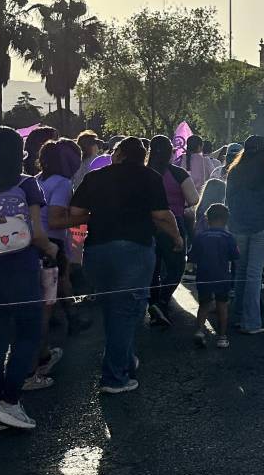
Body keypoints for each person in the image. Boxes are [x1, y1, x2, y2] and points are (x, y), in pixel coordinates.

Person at [68, 137, 182, 394]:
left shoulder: (95, 177)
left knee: (113, 309)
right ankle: (114, 377)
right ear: (142, 156)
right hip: (134, 250)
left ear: (117, 153)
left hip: (96, 250)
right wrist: (177, 237)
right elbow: (162, 216)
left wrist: (82, 240)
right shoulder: (150, 177)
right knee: (127, 310)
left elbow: (75, 215)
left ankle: (126, 360)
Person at [0, 127, 59, 434]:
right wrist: (52, 248)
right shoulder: (27, 184)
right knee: (27, 337)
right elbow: (36, 233)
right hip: (20, 272)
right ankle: (9, 402)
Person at [31, 138, 84, 390]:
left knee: (60, 286)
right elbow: (55, 220)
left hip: (34, 244)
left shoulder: (38, 179)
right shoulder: (62, 183)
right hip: (51, 244)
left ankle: (73, 318)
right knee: (46, 305)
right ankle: (40, 358)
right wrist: (87, 217)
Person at [224, 135, 264, 335]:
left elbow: (229, 201)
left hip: (238, 225)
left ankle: (238, 316)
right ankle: (251, 322)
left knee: (242, 271)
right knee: (254, 274)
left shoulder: (234, 172)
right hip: (263, 226)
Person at [145, 136, 199, 327]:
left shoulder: (143, 173)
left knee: (152, 268)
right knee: (176, 267)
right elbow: (193, 199)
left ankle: (153, 303)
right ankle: (163, 300)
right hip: (172, 223)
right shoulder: (178, 173)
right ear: (170, 152)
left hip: (146, 225)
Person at [188, 203, 238, 349]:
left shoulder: (200, 237)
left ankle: (199, 330)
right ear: (226, 220)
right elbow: (235, 256)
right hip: (222, 276)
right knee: (222, 306)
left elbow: (192, 258)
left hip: (203, 276)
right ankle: (222, 337)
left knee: (204, 304)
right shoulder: (228, 237)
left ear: (207, 219)